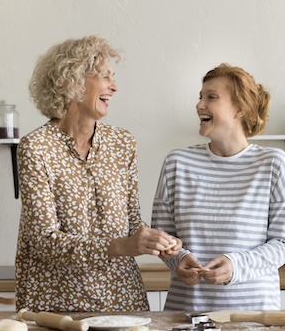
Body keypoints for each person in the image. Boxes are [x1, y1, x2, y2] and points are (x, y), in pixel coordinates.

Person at [15, 35, 180, 312]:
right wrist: (122, 246)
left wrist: (155, 241)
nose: (114, 87)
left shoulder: (122, 143)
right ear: (73, 81)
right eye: (105, 77)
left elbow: (130, 224)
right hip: (57, 305)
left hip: (122, 300)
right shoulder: (36, 148)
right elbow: (45, 242)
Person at [151, 63, 285, 311]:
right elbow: (163, 236)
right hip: (186, 314)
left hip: (253, 318)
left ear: (239, 108)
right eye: (200, 97)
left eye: (212, 97)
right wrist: (180, 258)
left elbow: (283, 245)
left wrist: (236, 266)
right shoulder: (177, 163)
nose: (199, 105)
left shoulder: (274, 164)